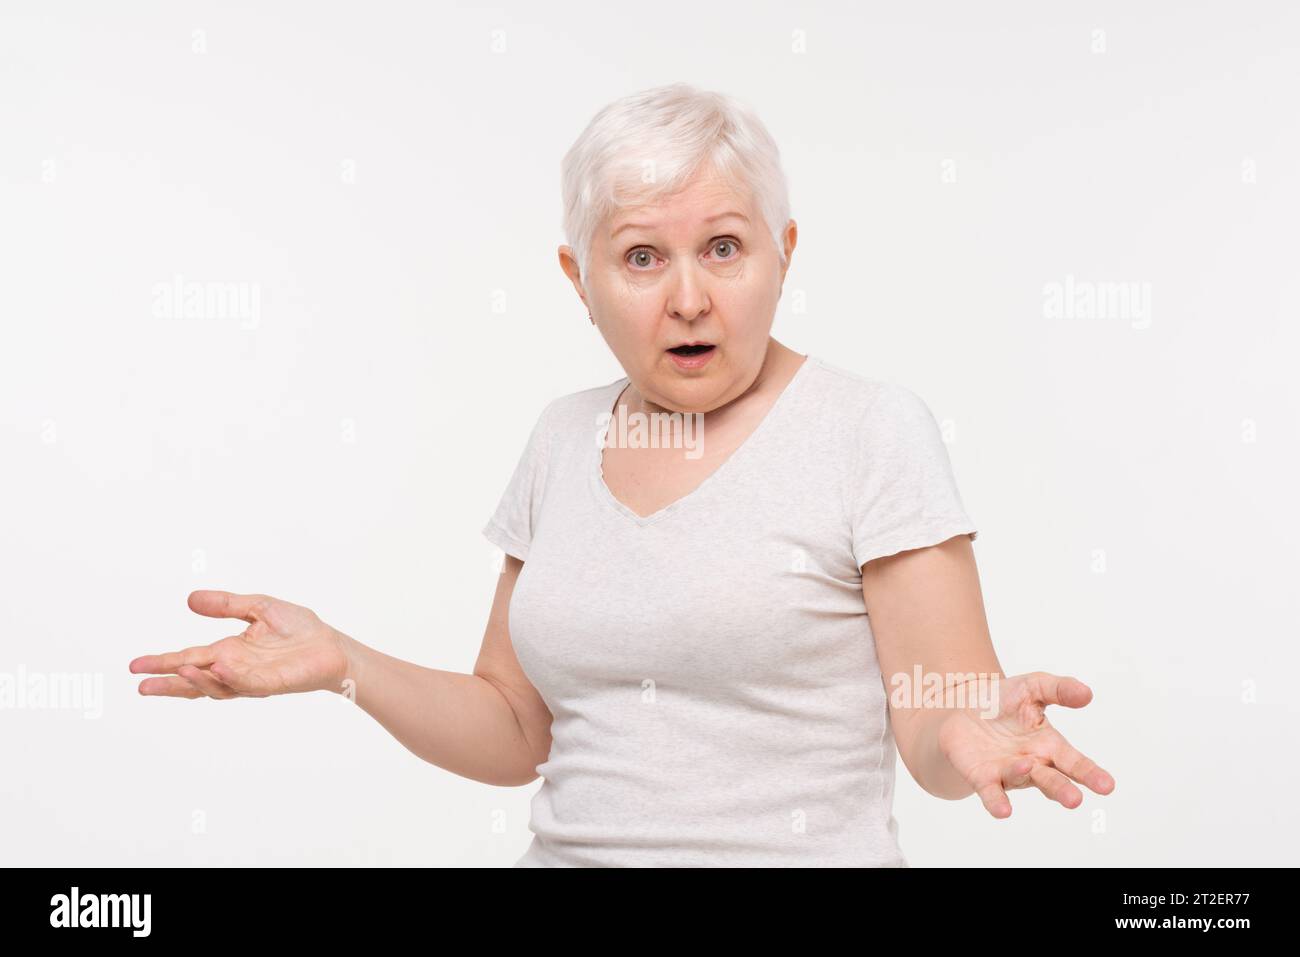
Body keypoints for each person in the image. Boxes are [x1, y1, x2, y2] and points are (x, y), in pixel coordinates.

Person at [130, 82, 1115, 867]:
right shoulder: (560, 439)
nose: (689, 298)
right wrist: (343, 663)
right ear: (578, 278)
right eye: (642, 257)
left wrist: (975, 737)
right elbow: (517, 729)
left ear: (783, 253)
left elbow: (940, 719)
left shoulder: (869, 430)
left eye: (723, 248)